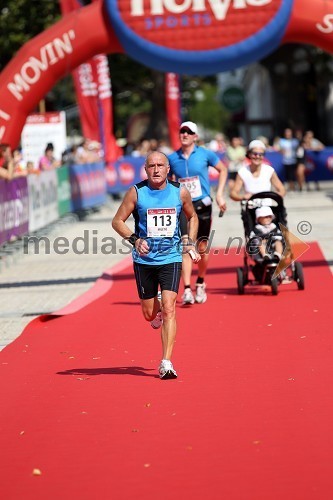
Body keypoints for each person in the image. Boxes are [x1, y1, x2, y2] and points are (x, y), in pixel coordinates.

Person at [112, 151, 200, 380]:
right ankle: (157, 308)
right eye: (152, 165)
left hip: (171, 258)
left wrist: (188, 240)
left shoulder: (179, 191)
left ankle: (166, 362)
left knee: (171, 308)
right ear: (145, 169)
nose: (156, 169)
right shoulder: (136, 192)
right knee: (149, 314)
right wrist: (135, 240)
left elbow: (192, 217)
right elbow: (117, 221)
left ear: (168, 168)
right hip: (144, 260)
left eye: (161, 165)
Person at [168, 121, 228, 306]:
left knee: (201, 247)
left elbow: (223, 169)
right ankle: (186, 289)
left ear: (195, 136)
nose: (185, 134)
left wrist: (219, 194)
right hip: (183, 207)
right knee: (186, 246)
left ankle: (200, 282)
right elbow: (169, 182)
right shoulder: (172, 158)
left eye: (189, 132)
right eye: (182, 131)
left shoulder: (205, 154)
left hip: (202, 205)